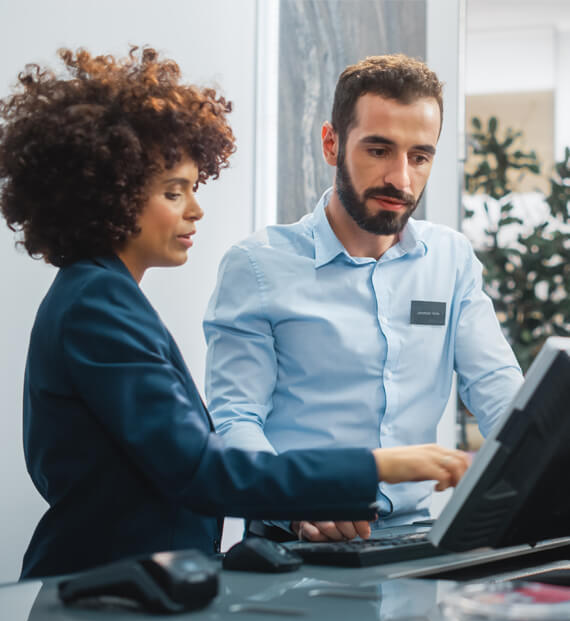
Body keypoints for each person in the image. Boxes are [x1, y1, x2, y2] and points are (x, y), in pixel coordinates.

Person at [0, 47, 470, 579]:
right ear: (110, 194)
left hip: (136, 587)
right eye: (174, 192)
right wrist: (383, 465)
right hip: (102, 593)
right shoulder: (96, 305)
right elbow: (203, 469)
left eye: (193, 189)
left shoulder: (104, 295)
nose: (196, 209)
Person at [204, 54, 523, 542]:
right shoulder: (256, 265)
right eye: (378, 150)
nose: (402, 179)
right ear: (332, 144)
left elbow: (500, 391)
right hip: (296, 538)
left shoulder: (451, 259)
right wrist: (293, 502)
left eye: (420, 156)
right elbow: (235, 419)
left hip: (418, 536)